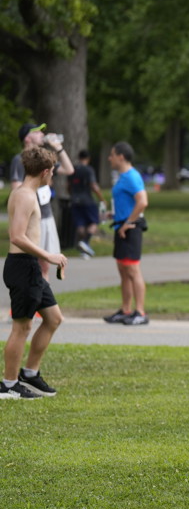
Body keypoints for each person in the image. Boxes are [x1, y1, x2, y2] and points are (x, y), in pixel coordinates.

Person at [1, 146, 68, 399]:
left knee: (53, 318)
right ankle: (8, 385)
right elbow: (17, 236)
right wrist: (48, 255)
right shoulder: (25, 196)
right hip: (22, 266)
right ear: (45, 172)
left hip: (30, 267)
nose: (53, 176)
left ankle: (29, 374)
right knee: (22, 327)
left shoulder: (27, 193)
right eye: (53, 172)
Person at [9, 122, 74, 281]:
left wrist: (58, 148)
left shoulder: (43, 159)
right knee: (33, 263)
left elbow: (69, 169)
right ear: (27, 138)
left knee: (45, 266)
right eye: (37, 132)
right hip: (31, 216)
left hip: (46, 215)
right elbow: (16, 188)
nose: (42, 135)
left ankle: (42, 293)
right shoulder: (19, 160)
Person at [103, 142, 150, 325]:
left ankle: (140, 312)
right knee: (123, 270)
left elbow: (142, 202)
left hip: (130, 229)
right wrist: (115, 215)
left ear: (121, 157)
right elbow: (128, 202)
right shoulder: (122, 177)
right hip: (120, 226)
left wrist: (128, 222)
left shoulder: (132, 176)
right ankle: (126, 310)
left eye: (112, 155)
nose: (110, 158)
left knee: (132, 270)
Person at [67, 149, 105, 258]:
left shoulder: (72, 170)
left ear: (79, 157)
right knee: (94, 222)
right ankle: (85, 242)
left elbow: (68, 186)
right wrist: (101, 198)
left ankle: (84, 250)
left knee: (80, 225)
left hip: (75, 200)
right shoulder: (88, 170)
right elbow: (93, 185)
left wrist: (73, 195)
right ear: (88, 158)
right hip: (88, 200)